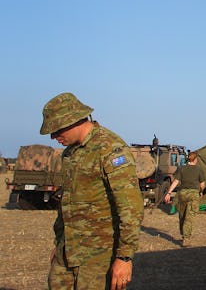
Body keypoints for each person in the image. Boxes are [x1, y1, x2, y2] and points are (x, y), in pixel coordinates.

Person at [40, 92, 144, 290]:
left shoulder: (110, 149)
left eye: (56, 130)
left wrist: (124, 257)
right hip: (67, 253)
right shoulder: (70, 153)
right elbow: (68, 203)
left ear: (72, 121)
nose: (54, 137)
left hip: (98, 259)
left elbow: (131, 208)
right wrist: (60, 243)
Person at [163, 151, 205, 247]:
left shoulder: (182, 168)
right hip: (194, 194)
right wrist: (201, 191)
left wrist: (169, 193)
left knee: (182, 215)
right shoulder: (199, 169)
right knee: (189, 217)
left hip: (182, 194)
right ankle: (186, 238)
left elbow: (176, 181)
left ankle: (183, 235)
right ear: (195, 159)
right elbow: (202, 184)